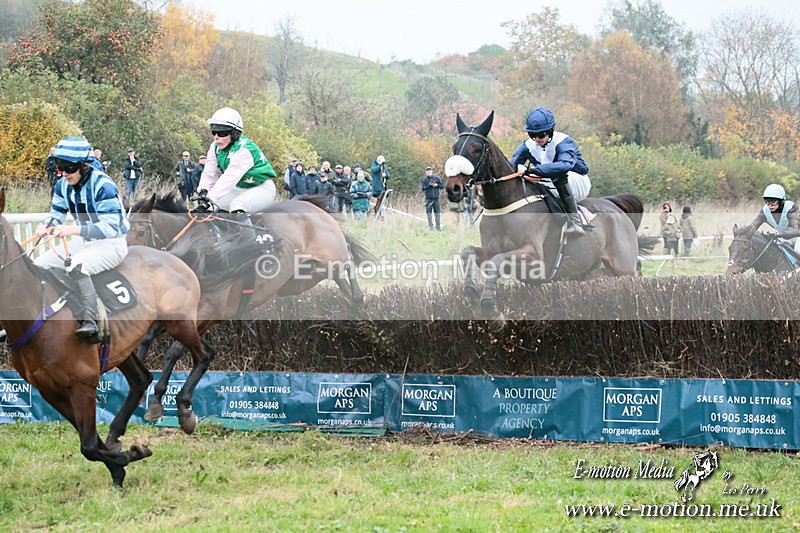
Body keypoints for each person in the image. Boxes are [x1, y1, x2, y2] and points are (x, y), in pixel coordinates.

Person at [23, 136, 129, 343]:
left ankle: (91, 321)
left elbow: (111, 226)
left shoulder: (103, 185)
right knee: (37, 266)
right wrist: (47, 225)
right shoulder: (63, 185)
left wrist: (72, 230)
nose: (64, 174)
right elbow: (58, 212)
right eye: (60, 168)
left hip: (112, 243)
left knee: (78, 266)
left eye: (69, 168)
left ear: (83, 165)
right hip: (85, 241)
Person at [509, 107, 591, 236]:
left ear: (551, 130)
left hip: (576, 180)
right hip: (547, 180)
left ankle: (576, 223)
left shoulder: (564, 141)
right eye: (532, 135)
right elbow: (511, 164)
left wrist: (534, 170)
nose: (536, 139)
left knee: (558, 175)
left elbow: (565, 165)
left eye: (541, 134)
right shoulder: (528, 145)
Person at [198, 107, 277, 239]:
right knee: (210, 209)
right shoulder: (215, 147)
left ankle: (251, 246)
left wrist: (209, 199)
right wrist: (203, 191)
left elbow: (228, 179)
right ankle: (222, 241)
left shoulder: (244, 150)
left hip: (262, 188)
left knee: (237, 206)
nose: (216, 137)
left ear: (234, 133)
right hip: (239, 189)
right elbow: (210, 171)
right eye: (214, 132)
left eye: (222, 133)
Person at [741, 183, 800, 254]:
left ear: (781, 201)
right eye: (767, 202)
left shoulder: (791, 209)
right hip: (784, 236)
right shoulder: (765, 211)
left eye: (773, 202)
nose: (770, 205)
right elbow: (754, 225)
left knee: (798, 250)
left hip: (797, 235)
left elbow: (796, 230)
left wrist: (778, 234)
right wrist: (743, 232)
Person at [421, 166, 442, 231]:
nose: (429, 172)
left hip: (436, 198)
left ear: (432, 171)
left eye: (430, 170)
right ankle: (431, 227)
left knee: (437, 213)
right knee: (429, 214)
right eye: (427, 171)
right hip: (428, 199)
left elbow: (442, 186)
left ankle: (438, 227)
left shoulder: (437, 178)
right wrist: (429, 185)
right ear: (426, 172)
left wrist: (436, 185)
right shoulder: (424, 180)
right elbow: (423, 188)